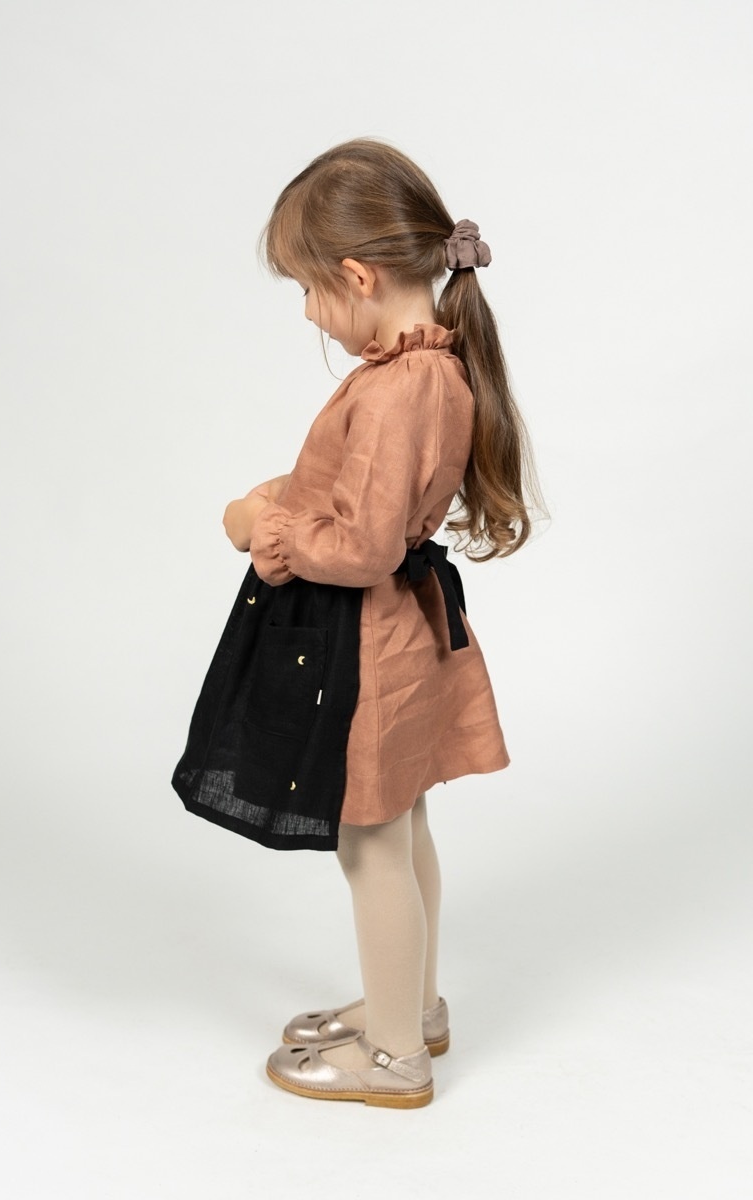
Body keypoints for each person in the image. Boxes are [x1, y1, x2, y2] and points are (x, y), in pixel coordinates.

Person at [219, 139, 541, 1108]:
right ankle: (415, 1007)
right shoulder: (421, 371)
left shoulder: (403, 386)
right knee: (401, 828)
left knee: (367, 846)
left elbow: (359, 547)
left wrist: (265, 528)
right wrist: (290, 492)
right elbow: (365, 495)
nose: (308, 312)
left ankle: (395, 1057)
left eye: (308, 289)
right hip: (398, 633)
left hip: (367, 643)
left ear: (357, 276)